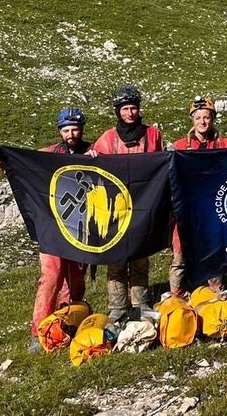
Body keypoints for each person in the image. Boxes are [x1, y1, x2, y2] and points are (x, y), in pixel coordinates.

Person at [14, 107, 91, 351]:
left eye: (75, 129)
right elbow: (22, 165)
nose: (71, 134)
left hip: (81, 226)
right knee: (51, 275)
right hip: (53, 226)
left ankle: (67, 323)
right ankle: (38, 332)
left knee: (76, 280)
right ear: (60, 131)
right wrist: (1, 158)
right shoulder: (49, 154)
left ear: (81, 130)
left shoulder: (92, 151)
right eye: (66, 130)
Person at [88, 84, 165, 321]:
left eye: (133, 108)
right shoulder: (108, 138)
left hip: (143, 205)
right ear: (118, 111)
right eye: (125, 109)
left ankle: (140, 304)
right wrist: (91, 156)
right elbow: (93, 167)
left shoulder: (152, 134)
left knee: (140, 258)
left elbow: (162, 163)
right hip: (115, 209)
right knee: (116, 260)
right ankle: (117, 307)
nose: (130, 113)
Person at [169, 96, 227, 296]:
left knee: (214, 250)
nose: (203, 122)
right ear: (192, 120)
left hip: (215, 209)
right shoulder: (179, 146)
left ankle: (216, 290)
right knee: (180, 254)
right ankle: (177, 293)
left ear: (212, 119)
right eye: (198, 118)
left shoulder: (224, 144)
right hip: (186, 209)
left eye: (206, 117)